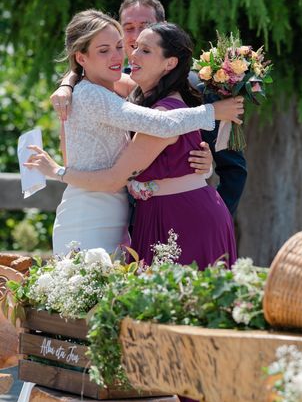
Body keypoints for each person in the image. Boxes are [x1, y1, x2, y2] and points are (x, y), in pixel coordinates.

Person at [28, 22, 237, 271]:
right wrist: (68, 82)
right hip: (158, 214)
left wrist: (56, 171)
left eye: (145, 51)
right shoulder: (142, 94)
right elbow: (88, 69)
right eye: (135, 47)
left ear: (170, 64)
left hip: (180, 217)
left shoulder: (164, 111)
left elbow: (116, 176)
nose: (132, 55)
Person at [51, 0, 248, 215]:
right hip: (127, 215)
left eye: (144, 26)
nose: (135, 36)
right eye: (128, 28)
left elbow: (231, 167)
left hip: (185, 213)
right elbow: (84, 72)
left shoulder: (200, 87)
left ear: (162, 27)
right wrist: (66, 83)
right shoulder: (117, 79)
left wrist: (215, 212)